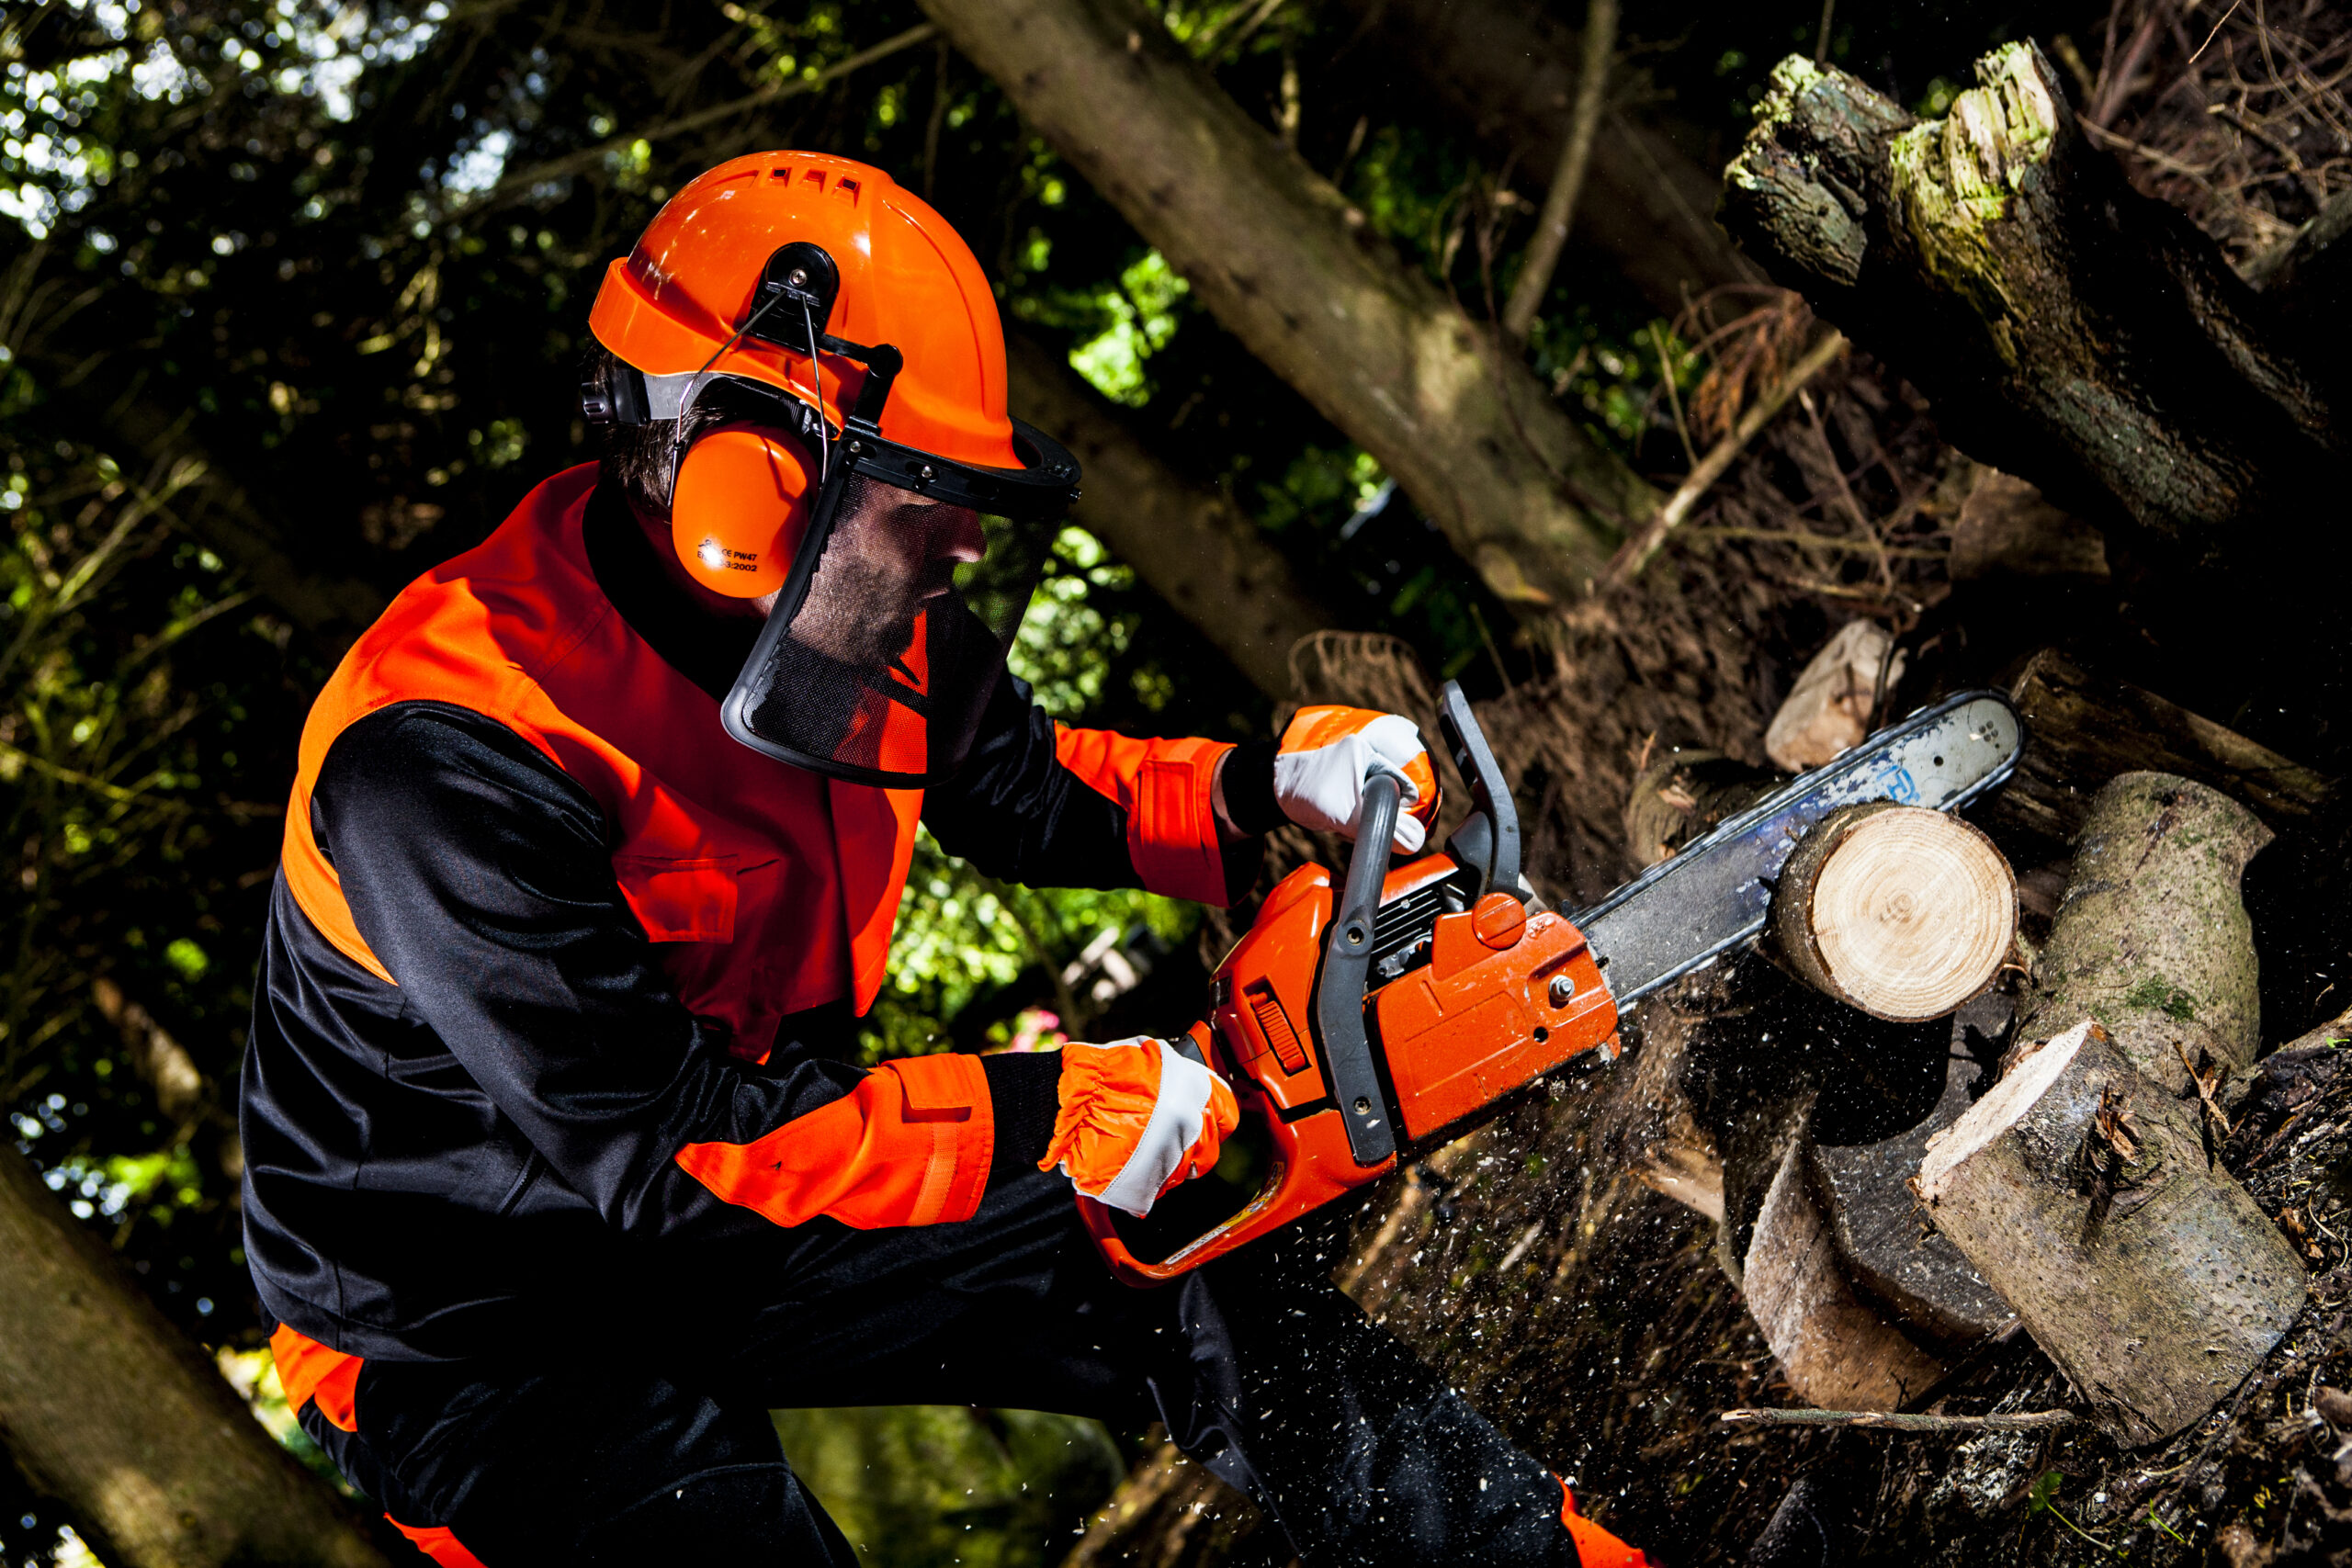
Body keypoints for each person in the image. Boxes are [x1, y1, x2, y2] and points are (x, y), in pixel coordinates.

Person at [241, 151, 1646, 1567]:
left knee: (1166, 1253)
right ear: (758, 481)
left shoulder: (842, 619)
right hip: (468, 1327)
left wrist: (1259, 786)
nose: (963, 543)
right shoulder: (438, 759)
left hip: (748, 1182)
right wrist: (1045, 1109)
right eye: (924, 498)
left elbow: (1025, 791)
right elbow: (663, 1150)